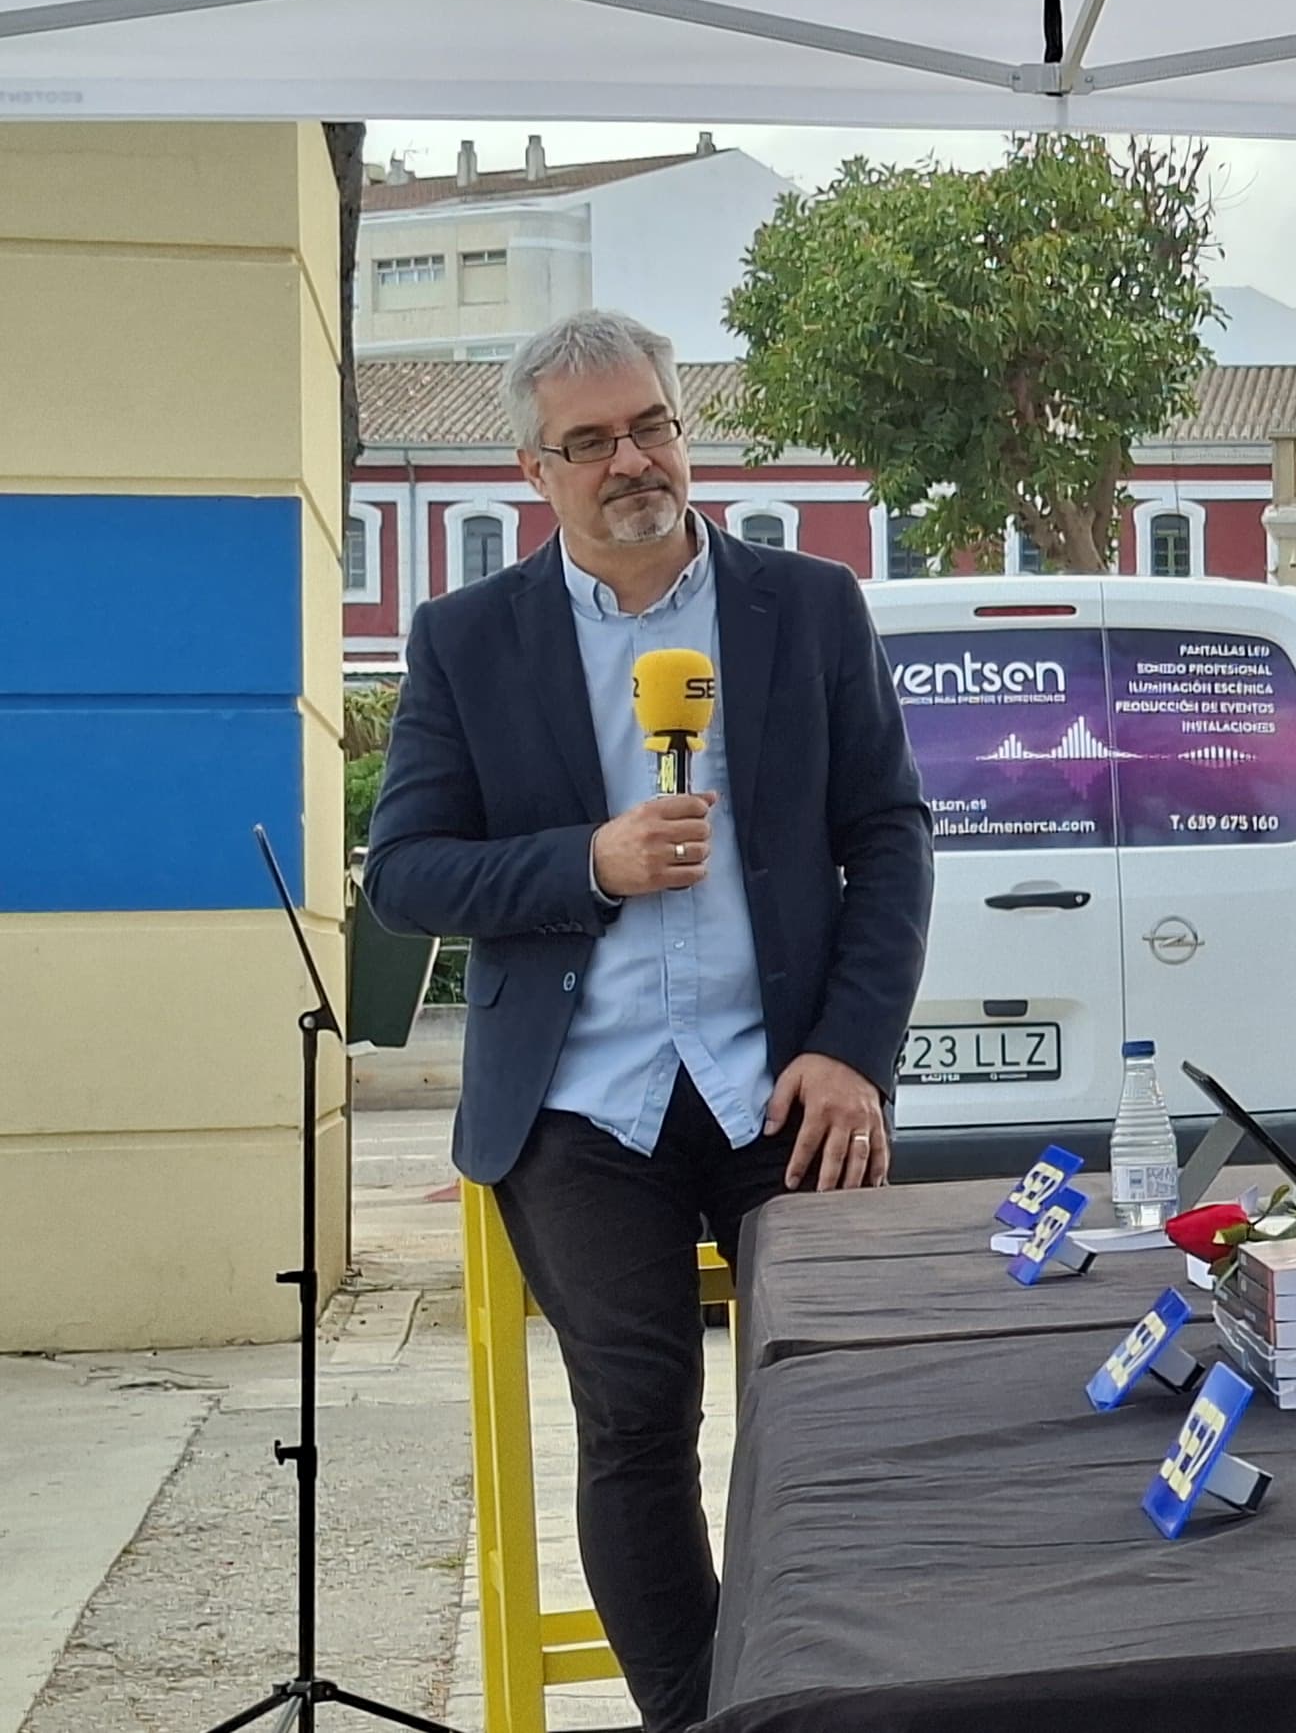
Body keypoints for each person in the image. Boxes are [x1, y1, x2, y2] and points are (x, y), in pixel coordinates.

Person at [366, 311, 934, 1732]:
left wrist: (853, 1052)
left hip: (781, 1078)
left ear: (687, 431)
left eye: (654, 426)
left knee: (836, 1410)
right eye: (593, 442)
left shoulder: (806, 609)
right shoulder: (464, 641)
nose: (634, 461)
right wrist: (586, 864)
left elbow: (894, 835)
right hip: (580, 1096)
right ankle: (703, 1716)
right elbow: (409, 875)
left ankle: (837, 1691)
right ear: (533, 470)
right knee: (636, 1417)